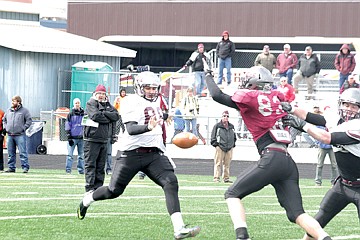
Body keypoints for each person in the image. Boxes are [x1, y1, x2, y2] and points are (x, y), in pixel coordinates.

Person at [203, 60, 332, 240]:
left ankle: (242, 236)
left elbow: (217, 95)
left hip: (271, 157)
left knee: (232, 194)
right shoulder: (279, 101)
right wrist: (294, 111)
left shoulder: (251, 99)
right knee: (296, 214)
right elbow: (321, 122)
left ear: (255, 83)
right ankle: (325, 238)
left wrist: (208, 75)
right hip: (288, 163)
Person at [77, 71, 201, 239]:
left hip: (154, 154)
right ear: (138, 87)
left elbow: (152, 113)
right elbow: (131, 129)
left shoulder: (156, 100)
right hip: (131, 154)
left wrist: (165, 116)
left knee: (171, 182)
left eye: (154, 88)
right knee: (113, 191)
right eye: (148, 87)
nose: (152, 91)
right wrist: (148, 128)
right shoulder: (130, 101)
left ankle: (179, 228)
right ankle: (87, 199)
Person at [281, 88, 360, 240]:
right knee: (318, 221)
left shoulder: (357, 126)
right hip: (343, 184)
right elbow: (310, 116)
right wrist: (291, 108)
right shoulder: (336, 119)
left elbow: (326, 138)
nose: (348, 109)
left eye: (354, 106)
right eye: (346, 104)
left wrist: (302, 125)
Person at [83, 84, 119, 192]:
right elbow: (95, 116)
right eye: (99, 93)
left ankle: (98, 187)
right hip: (91, 139)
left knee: (100, 165)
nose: (101, 96)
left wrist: (104, 113)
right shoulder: (91, 103)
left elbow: (116, 116)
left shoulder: (107, 105)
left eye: (103, 94)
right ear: (95, 94)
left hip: (104, 139)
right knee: (90, 164)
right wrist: (108, 118)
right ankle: (90, 187)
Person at [3, 96, 32, 173]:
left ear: (18, 102)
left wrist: (23, 128)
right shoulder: (8, 110)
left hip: (20, 135)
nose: (12, 103)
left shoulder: (24, 111)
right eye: (12, 101)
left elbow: (29, 121)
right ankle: (11, 167)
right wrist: (5, 128)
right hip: (10, 135)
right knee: (10, 153)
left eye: (14, 101)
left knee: (22, 152)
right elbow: (4, 120)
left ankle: (25, 167)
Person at [210, 110, 236, 183]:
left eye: (227, 116)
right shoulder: (217, 126)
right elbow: (213, 136)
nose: (226, 117)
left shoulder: (231, 126)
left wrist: (233, 144)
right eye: (224, 116)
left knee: (227, 164)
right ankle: (216, 178)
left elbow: (234, 136)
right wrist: (216, 145)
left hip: (229, 147)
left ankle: (226, 178)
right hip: (220, 146)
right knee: (218, 163)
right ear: (221, 117)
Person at [65, 98, 85, 175]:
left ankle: (81, 170)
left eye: (78, 103)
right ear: (74, 104)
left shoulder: (83, 113)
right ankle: (68, 170)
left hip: (81, 138)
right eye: (76, 103)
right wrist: (69, 137)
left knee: (81, 156)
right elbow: (67, 125)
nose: (77, 104)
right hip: (73, 138)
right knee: (70, 155)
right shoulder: (70, 114)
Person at [0, 108, 5, 172]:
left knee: (0, 151)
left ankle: (0, 167)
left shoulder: (1, 113)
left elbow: (4, 123)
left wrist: (3, 133)